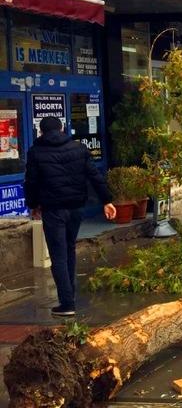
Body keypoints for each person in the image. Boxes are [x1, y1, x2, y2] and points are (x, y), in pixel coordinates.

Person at [24, 116, 116, 317]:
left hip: (53, 210)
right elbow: (94, 175)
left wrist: (33, 205)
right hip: (75, 208)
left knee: (58, 255)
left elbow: (31, 182)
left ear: (41, 132)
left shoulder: (36, 152)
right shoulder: (78, 148)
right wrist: (107, 201)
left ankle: (66, 304)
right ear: (62, 128)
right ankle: (70, 296)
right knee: (69, 249)